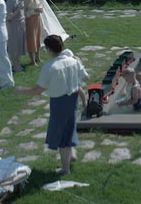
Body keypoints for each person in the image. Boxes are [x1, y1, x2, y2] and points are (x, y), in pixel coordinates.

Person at [15, 35, 88, 175]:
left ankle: (65, 168)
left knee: (62, 135)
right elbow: (85, 78)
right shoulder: (74, 61)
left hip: (59, 102)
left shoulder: (50, 67)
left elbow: (37, 90)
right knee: (69, 125)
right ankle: (71, 154)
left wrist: (21, 90)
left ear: (49, 49)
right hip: (73, 99)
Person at [22, 0, 45, 67]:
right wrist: (34, 11)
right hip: (29, 19)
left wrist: (40, 10)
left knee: (38, 37)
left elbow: (39, 5)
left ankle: (37, 57)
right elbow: (24, 13)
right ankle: (32, 60)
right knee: (31, 39)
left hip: (37, 18)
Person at [5, 0, 27, 73]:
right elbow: (8, 17)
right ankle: (15, 66)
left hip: (19, 26)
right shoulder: (10, 1)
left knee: (19, 47)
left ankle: (16, 65)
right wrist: (19, 9)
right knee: (14, 47)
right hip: (14, 27)